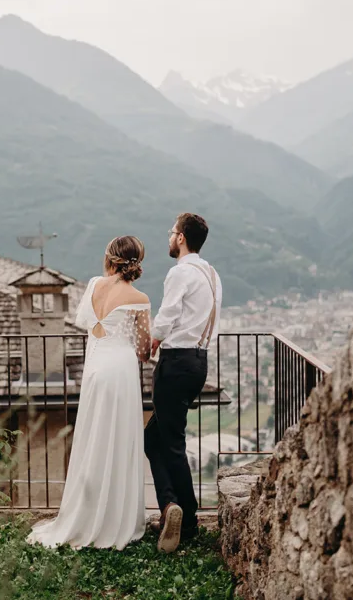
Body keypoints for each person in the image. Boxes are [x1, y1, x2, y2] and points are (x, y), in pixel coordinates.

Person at [26, 236, 152, 550]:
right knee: (119, 439)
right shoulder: (139, 298)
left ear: (110, 258)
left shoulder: (95, 285)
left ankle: (85, 514)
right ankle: (115, 518)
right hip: (121, 372)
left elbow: (87, 323)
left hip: (95, 371)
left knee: (93, 439)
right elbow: (143, 348)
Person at [146, 212, 222, 553]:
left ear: (181, 238)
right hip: (199, 361)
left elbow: (168, 314)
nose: (169, 235)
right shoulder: (211, 274)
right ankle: (170, 508)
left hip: (176, 361)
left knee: (171, 443)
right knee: (154, 437)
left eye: (172, 231)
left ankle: (186, 518)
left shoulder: (180, 273)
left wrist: (152, 339)